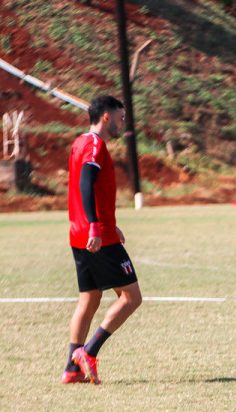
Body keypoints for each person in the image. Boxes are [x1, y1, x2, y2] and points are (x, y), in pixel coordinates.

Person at [62, 95, 142, 384]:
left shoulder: (79, 142)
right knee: (132, 297)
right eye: (121, 118)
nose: (123, 123)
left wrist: (110, 223)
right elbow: (86, 182)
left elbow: (91, 191)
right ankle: (89, 351)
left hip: (79, 233)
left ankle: (71, 370)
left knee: (90, 297)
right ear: (106, 117)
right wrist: (97, 226)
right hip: (96, 236)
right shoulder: (95, 145)